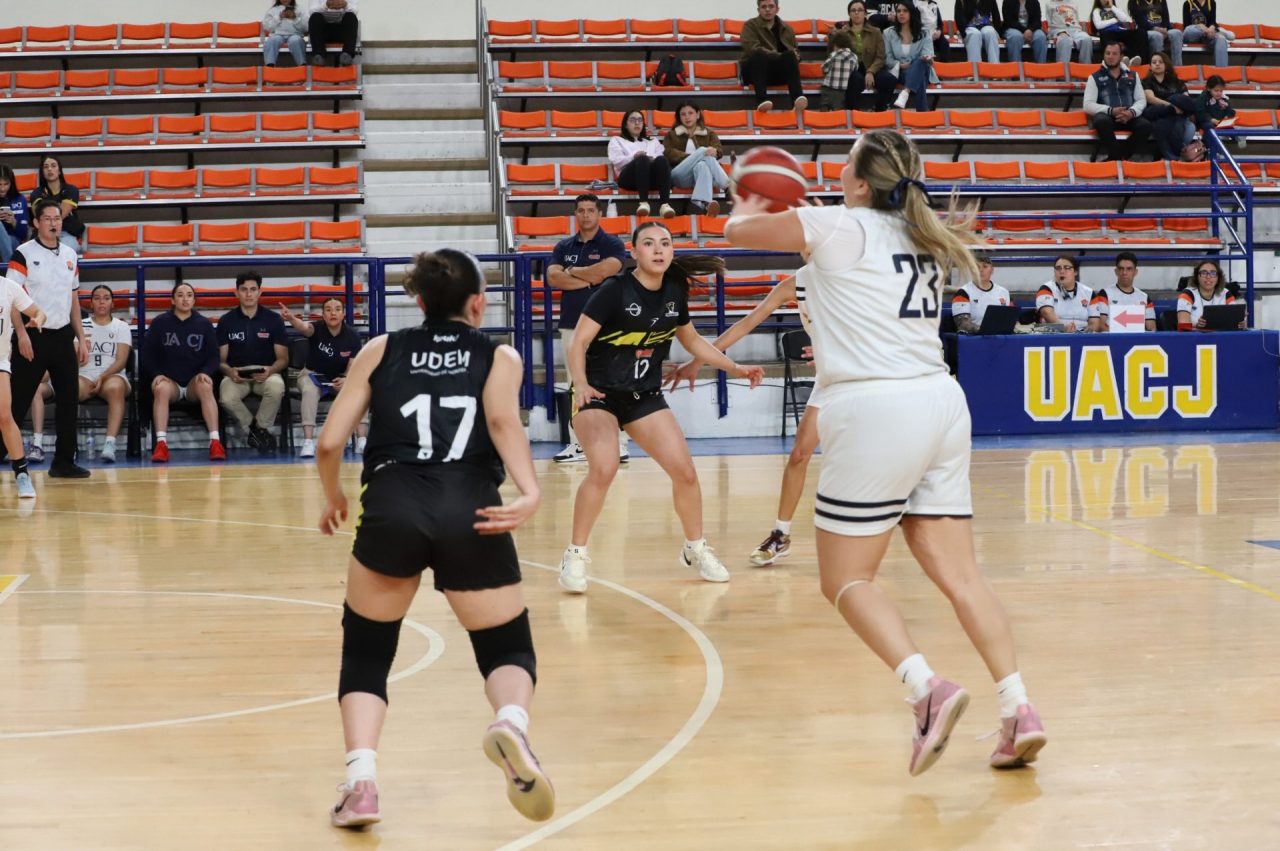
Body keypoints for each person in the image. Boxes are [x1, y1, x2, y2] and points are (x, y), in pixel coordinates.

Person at [723, 128, 1046, 774]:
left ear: (861, 181)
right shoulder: (923, 234)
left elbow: (737, 233)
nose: (837, 170)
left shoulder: (839, 224)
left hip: (876, 408)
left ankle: (927, 690)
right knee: (963, 577)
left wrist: (749, 193)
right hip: (941, 402)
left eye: (845, 161)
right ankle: (1019, 709)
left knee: (846, 579)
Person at [317, 248, 554, 829]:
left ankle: (361, 785)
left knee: (367, 654)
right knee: (506, 649)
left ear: (418, 302)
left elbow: (329, 442)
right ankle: (511, 724)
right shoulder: (499, 354)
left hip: (393, 506)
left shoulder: (380, 349)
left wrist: (334, 496)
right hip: (471, 508)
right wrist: (529, 490)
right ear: (478, 303)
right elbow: (502, 422)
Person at [558, 221, 766, 593]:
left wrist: (735, 368)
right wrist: (581, 383)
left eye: (665, 243)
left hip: (643, 394)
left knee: (685, 472)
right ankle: (574, 555)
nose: (658, 249)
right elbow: (578, 343)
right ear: (633, 251)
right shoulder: (613, 291)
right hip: (599, 394)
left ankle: (695, 548)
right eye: (649, 243)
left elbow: (693, 341)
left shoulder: (673, 292)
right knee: (604, 467)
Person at [665, 267, 823, 567]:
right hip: (830, 379)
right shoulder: (796, 283)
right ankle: (781, 534)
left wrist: (838, 347)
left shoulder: (856, 275)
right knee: (800, 454)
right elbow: (747, 323)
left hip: (866, 375)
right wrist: (698, 361)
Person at [7, 200, 90, 479]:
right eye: (48, 219)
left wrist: (81, 337)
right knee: (17, 401)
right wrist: (20, 334)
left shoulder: (70, 254)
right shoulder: (23, 253)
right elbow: (11, 298)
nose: (54, 223)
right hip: (33, 334)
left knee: (68, 399)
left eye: (58, 218)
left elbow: (74, 299)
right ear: (36, 222)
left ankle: (64, 461)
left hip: (63, 335)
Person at [546, 194, 629, 465]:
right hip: (572, 324)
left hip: (607, 324)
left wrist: (573, 271)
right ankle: (578, 444)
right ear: (575, 214)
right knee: (575, 383)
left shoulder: (612, 243)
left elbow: (607, 270)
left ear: (599, 214)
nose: (585, 215)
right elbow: (553, 277)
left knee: (611, 381)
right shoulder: (563, 246)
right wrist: (590, 277)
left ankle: (619, 443)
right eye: (581, 210)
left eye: (590, 210)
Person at [143, 283, 224, 462]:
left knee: (205, 385)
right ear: (173, 300)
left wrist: (206, 372)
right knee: (160, 388)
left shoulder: (204, 324)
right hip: (170, 382)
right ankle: (161, 444)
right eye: (180, 295)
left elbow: (214, 357)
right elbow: (147, 355)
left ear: (194, 300)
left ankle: (215, 442)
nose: (185, 299)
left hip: (194, 382)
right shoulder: (160, 323)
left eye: (189, 295)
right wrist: (156, 374)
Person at [281, 298, 366, 459]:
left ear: (343, 314)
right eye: (328, 309)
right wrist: (291, 318)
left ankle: (362, 440)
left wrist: (345, 378)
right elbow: (303, 327)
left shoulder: (352, 335)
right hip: (313, 375)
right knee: (309, 390)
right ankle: (308, 442)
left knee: (358, 391)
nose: (333, 313)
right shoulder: (316, 328)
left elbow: (353, 364)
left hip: (339, 378)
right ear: (323, 315)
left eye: (337, 309)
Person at [218, 271, 289, 451]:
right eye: (244, 289)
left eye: (253, 289)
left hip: (266, 372)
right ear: (236, 292)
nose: (248, 294)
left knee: (276, 387)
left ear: (260, 292)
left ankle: (259, 429)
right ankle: (256, 432)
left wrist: (270, 371)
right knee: (226, 397)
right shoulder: (226, 321)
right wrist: (229, 371)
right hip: (236, 374)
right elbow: (220, 360)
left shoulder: (274, 320)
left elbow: (283, 359)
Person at [0, 270, 46, 499]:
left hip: (0, 360)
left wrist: (38, 319)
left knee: (4, 416)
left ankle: (21, 474)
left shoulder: (8, 287)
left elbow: (38, 311)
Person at [77, 286, 133, 463]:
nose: (102, 302)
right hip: (85, 376)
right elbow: (74, 360)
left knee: (115, 388)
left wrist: (102, 377)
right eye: (97, 298)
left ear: (112, 303)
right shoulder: (81, 325)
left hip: (112, 376)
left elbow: (121, 361)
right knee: (69, 388)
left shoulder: (121, 326)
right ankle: (68, 444)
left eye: (106, 298)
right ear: (91, 303)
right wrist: (81, 350)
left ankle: (110, 443)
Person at [1084, 41, 1153, 162]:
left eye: (1114, 53)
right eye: (1108, 53)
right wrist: (1111, 110)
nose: (1110, 56)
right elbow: (1088, 105)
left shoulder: (1133, 75)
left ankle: (1116, 158)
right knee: (1100, 121)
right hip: (1108, 116)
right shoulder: (1094, 77)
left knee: (1146, 126)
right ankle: (1119, 158)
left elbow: (1141, 100)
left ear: (1121, 56)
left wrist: (1131, 112)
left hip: (1129, 115)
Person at [663, 102, 732, 217]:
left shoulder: (709, 133)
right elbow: (668, 153)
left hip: (700, 175)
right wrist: (694, 156)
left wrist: (715, 151)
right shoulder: (671, 135)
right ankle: (727, 186)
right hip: (680, 175)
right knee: (703, 151)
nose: (687, 117)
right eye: (683, 114)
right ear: (679, 117)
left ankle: (705, 203)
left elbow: (719, 150)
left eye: (690, 113)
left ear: (698, 114)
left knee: (702, 165)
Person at [740, 0, 809, 114]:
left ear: (777, 9)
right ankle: (762, 101)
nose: (767, 9)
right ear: (758, 10)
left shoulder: (787, 28)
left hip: (776, 73)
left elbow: (795, 50)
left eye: (771, 6)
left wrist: (796, 56)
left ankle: (797, 99)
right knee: (759, 54)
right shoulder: (750, 25)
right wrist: (778, 56)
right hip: (754, 73)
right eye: (764, 7)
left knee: (790, 55)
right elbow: (752, 48)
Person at [608, 111, 675, 220]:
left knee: (662, 160)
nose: (637, 123)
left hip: (651, 179)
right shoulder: (617, 140)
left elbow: (660, 156)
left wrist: (651, 159)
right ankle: (643, 202)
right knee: (642, 158)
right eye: (633, 120)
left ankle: (665, 205)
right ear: (625, 124)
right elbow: (616, 160)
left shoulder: (653, 141)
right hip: (629, 179)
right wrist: (634, 157)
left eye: (640, 120)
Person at [838, 1, 897, 111]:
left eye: (860, 10)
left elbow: (881, 57)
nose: (856, 13)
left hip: (873, 66)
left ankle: (880, 109)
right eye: (853, 10)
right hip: (854, 69)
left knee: (889, 80)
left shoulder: (876, 32)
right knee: (855, 79)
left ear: (865, 13)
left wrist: (871, 72)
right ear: (849, 14)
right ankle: (854, 112)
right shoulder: (842, 33)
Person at [1143, 52, 1196, 160]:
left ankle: (1173, 156)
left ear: (1166, 64)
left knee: (1190, 128)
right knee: (1166, 126)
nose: (1157, 64)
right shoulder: (1146, 81)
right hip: (1158, 114)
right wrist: (1171, 106)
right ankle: (1173, 157)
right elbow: (1150, 98)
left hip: (1179, 115)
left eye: (1160, 62)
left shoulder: (1177, 82)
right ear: (1150, 66)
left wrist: (1176, 106)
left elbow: (1186, 99)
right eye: (1154, 62)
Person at [884, 2, 936, 111]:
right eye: (898, 11)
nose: (901, 14)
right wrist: (902, 66)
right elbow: (888, 59)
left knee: (920, 62)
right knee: (920, 78)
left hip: (922, 67)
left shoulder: (924, 32)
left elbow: (927, 53)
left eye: (905, 11)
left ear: (911, 13)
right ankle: (923, 115)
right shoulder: (888, 33)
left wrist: (923, 60)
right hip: (900, 71)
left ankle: (905, 91)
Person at [28, 155, 84, 255]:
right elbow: (41, 218)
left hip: (66, 233)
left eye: (53, 166)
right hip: (43, 234)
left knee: (64, 250)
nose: (49, 169)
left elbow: (59, 216)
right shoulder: (36, 194)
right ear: (42, 172)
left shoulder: (71, 190)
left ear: (59, 171)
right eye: (46, 167)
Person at [1089, 252, 1156, 332]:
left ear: (1135, 272)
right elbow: (1100, 326)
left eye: (1129, 269)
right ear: (1116, 271)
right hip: (1112, 338)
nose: (1124, 273)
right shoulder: (1105, 293)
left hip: (1137, 338)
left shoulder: (1144, 297)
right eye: (1121, 269)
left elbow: (1152, 328)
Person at [951, 254, 1013, 334]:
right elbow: (962, 323)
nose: (980, 270)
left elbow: (1010, 320)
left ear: (992, 270)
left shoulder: (1004, 292)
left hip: (999, 336)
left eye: (985, 266)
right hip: (974, 338)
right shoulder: (962, 293)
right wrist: (986, 331)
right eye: (977, 267)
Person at [1177, 259, 1242, 330]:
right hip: (1196, 336)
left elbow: (1235, 321)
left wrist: (1240, 323)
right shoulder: (1187, 294)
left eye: (1213, 273)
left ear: (1218, 278)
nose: (1208, 277)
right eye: (1204, 273)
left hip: (1221, 335)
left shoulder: (1226, 293)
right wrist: (1197, 326)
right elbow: (1183, 325)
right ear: (1197, 277)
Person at [1036, 255, 1093, 331]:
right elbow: (1047, 313)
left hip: (1082, 334)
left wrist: (1084, 334)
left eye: (1067, 268)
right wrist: (1064, 329)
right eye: (1058, 268)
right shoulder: (1046, 289)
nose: (1062, 271)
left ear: (1075, 272)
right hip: (1053, 334)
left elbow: (1094, 323)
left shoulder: (1089, 292)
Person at [1128, 0, 1183, 65]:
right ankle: (1157, 65)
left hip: (1162, 29)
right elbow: (1140, 21)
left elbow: (1166, 17)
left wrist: (1164, 28)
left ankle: (1177, 66)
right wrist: (1155, 29)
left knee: (1177, 33)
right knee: (1157, 36)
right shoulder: (1134, 2)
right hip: (1146, 30)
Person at [308, 0, 358, 67]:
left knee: (351, 17)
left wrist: (345, 5)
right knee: (314, 17)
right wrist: (326, 5)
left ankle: (347, 54)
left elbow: (355, 10)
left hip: (342, 30)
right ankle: (319, 55)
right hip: (323, 31)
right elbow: (312, 11)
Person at [820, 28, 860, 111]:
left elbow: (824, 68)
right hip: (842, 90)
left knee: (824, 108)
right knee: (838, 110)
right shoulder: (854, 57)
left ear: (835, 45)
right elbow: (855, 69)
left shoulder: (834, 55)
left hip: (828, 88)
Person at [1181, 0, 1229, 67]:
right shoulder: (1187, 3)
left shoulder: (1211, 2)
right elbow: (1186, 26)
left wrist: (1212, 27)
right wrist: (1199, 26)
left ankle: (1221, 71)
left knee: (1221, 39)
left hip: (1207, 36)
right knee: (1188, 30)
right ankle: (1218, 30)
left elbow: (1212, 21)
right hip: (1193, 34)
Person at [0, 164, 31, 266]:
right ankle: (11, 268)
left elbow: (23, 234)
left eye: (6, 184)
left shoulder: (19, 199)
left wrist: (14, 222)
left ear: (11, 183)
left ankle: (8, 267)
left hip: (13, 239)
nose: (2, 188)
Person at [263, 0, 308, 67]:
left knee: (296, 40)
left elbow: (306, 27)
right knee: (272, 40)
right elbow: (268, 28)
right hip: (277, 34)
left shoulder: (300, 9)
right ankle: (269, 65)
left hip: (295, 34)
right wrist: (278, 17)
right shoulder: (272, 10)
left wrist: (295, 19)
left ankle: (302, 65)